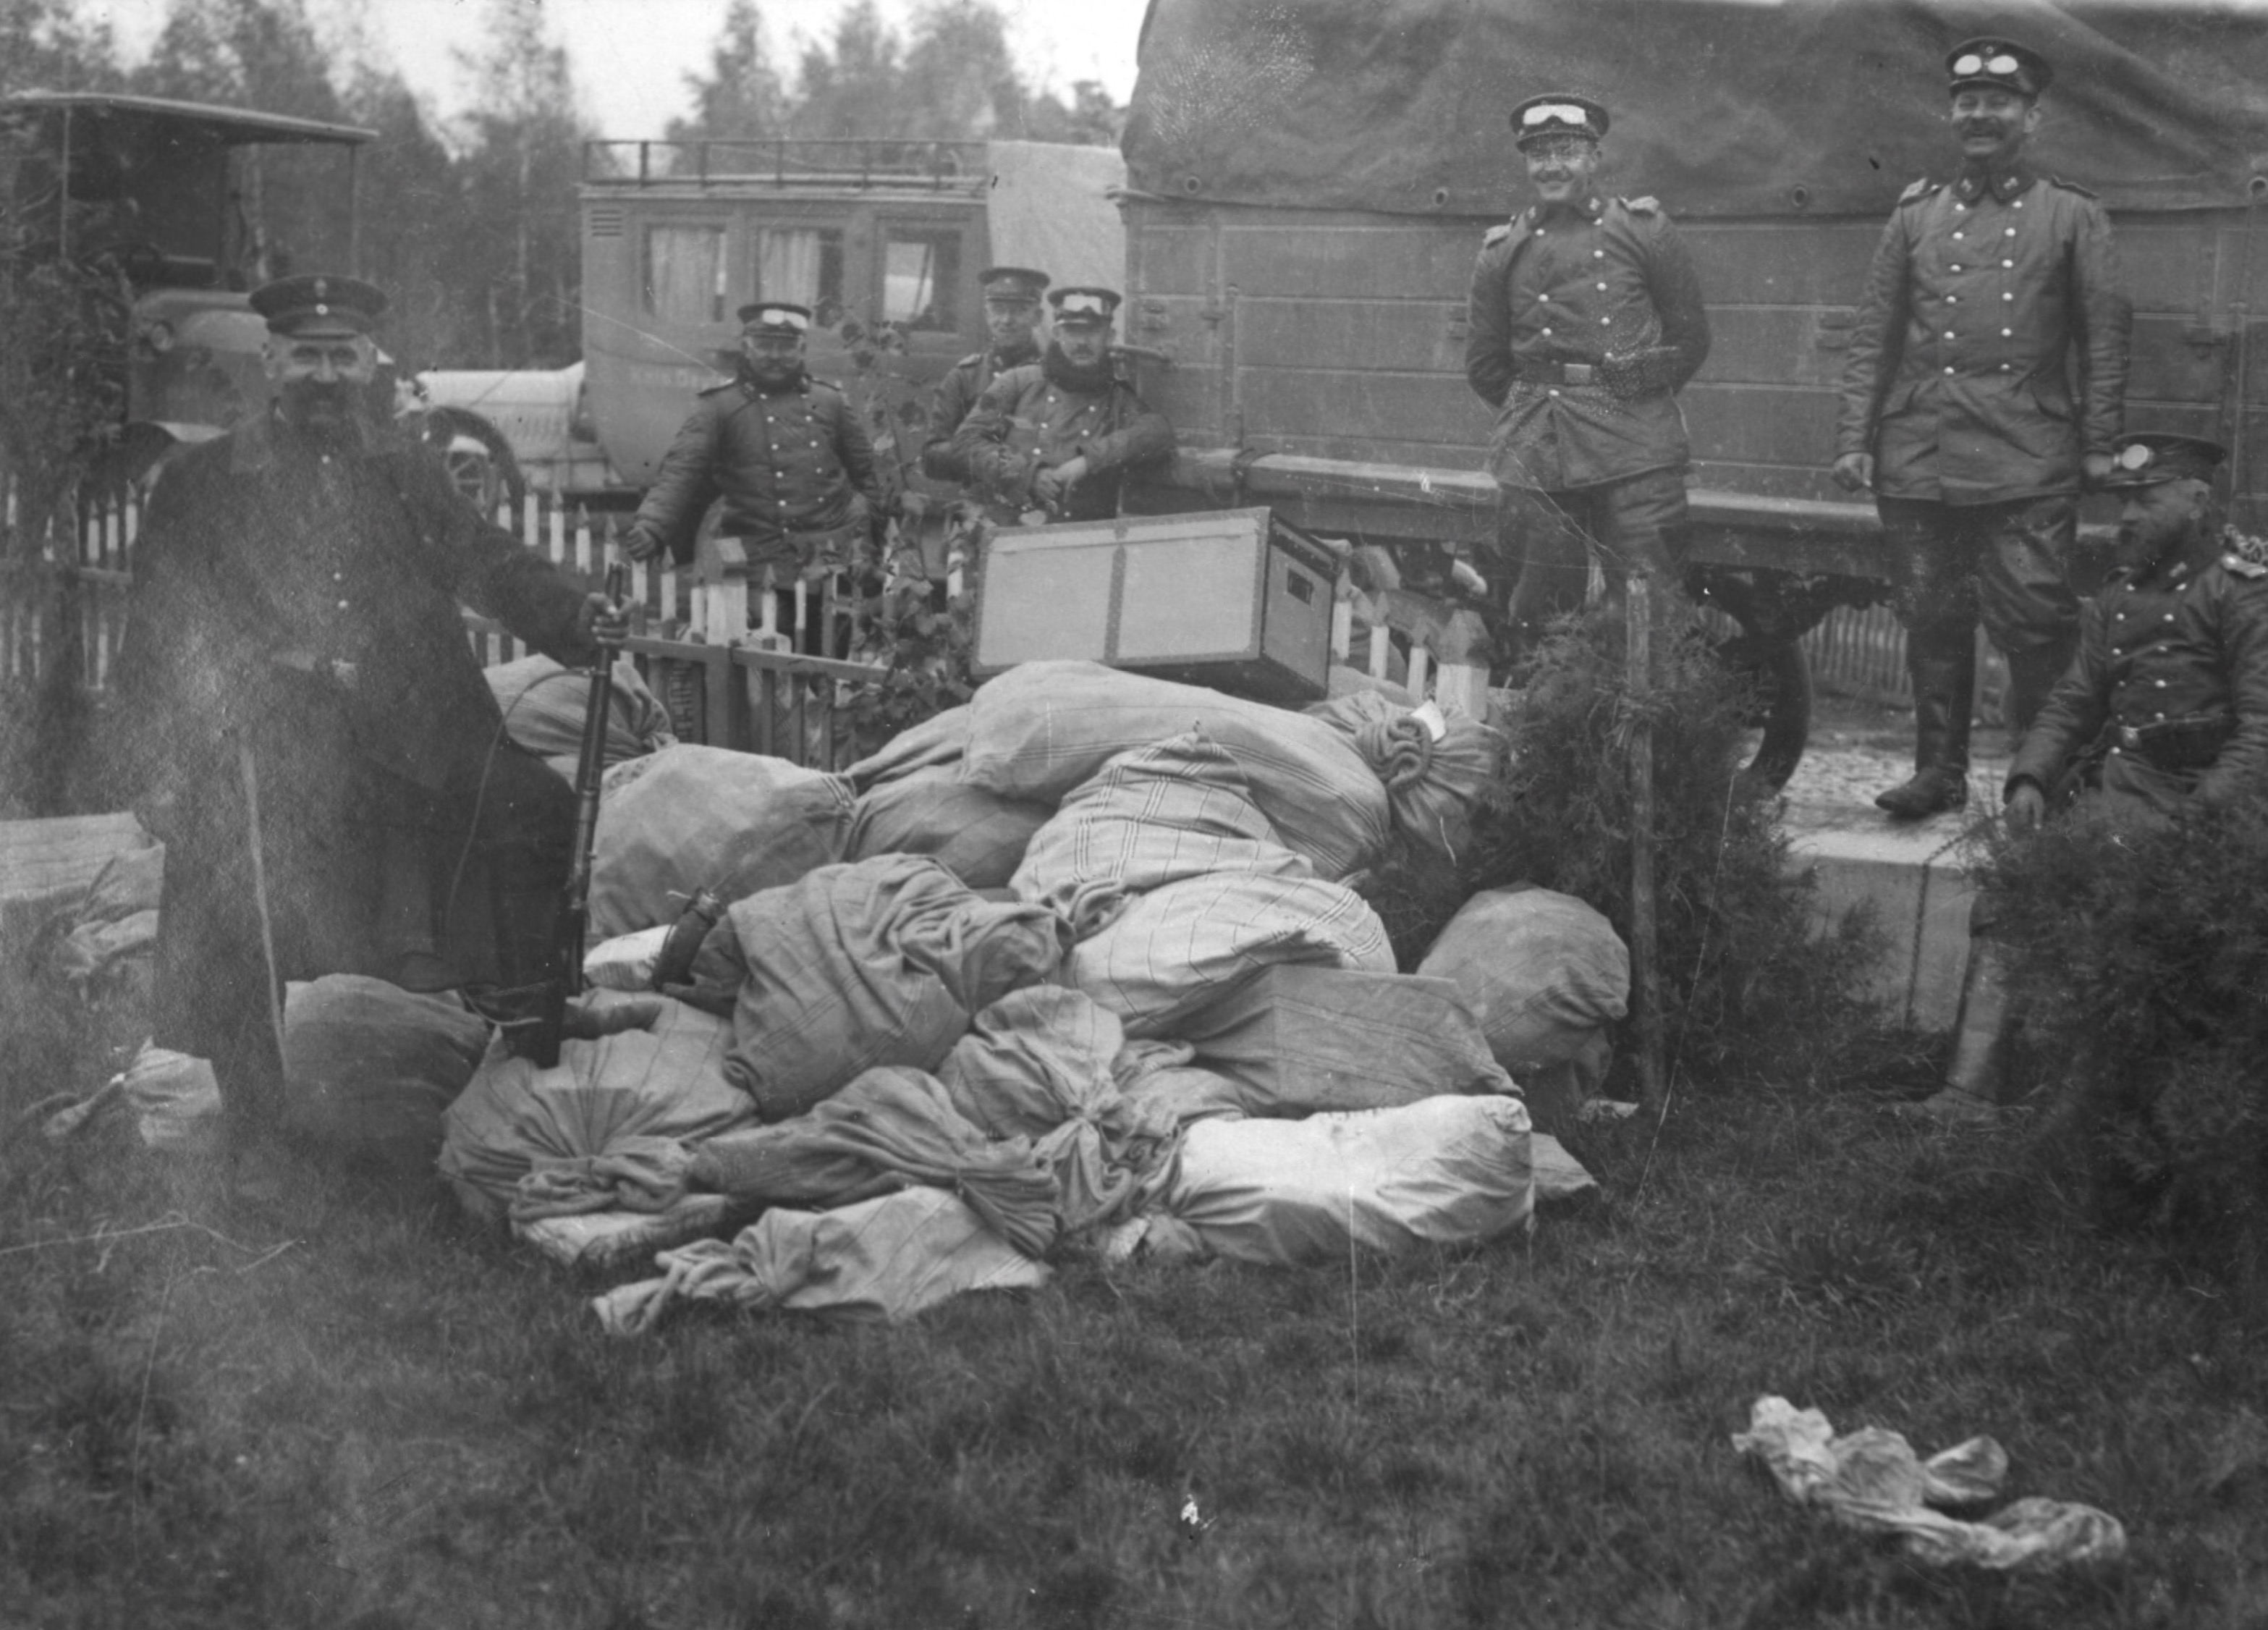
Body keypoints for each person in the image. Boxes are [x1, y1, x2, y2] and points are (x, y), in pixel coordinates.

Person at [111, 273, 627, 1157]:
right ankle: (259, 1124)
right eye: (305, 355)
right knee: (236, 878)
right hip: (264, 728)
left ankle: (523, 1068)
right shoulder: (203, 483)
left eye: (339, 356)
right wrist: (159, 764)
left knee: (530, 809)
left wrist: (574, 615)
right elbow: (158, 626)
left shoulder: (405, 467)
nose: (323, 374)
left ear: (366, 366)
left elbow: (482, 558)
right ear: (270, 363)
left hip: (412, 724)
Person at [1907, 432, 2268, 1122]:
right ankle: (1968, 1095)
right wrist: (2031, 781)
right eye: (2123, 502)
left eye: (2144, 500)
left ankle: (2084, 1116)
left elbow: (2261, 732)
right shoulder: (2120, 594)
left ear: (2197, 500)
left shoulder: (2242, 590)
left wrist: (2199, 821)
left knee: (2140, 921)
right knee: (2010, 899)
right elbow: (2074, 700)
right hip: (2127, 792)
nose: (2126, 518)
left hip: (2210, 803)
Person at [1834, 37, 2131, 819]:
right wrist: (1851, 438)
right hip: (1919, 451)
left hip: (2024, 453)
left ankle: (2042, 777)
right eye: (1966, 102)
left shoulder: (2071, 215)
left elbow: (2104, 338)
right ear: (1949, 113)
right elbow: (1876, 334)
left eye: (1998, 103)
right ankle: (1937, 773)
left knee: (2035, 620)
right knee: (1930, 615)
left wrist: (2097, 443)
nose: (1980, 115)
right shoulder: (1914, 215)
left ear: (2030, 117)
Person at [1464, 93, 1711, 664]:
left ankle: (1644, 747)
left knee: (1649, 614)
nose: (1551, 166)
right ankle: (1544, 742)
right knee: (1541, 618)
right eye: (1539, 153)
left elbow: (1690, 340)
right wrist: (1547, 403)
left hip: (1637, 450)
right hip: (1539, 447)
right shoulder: (1502, 252)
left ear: (1595, 157)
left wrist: (1629, 394)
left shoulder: (1643, 230)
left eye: (1566, 151)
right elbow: (1485, 365)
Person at [622, 301, 885, 577]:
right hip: (755, 559)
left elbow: (867, 477)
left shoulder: (830, 402)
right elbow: (679, 473)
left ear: (802, 350)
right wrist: (652, 527)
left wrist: (873, 546)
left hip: (830, 557)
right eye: (764, 345)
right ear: (746, 349)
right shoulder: (719, 407)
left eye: (786, 347)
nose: (775, 356)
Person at [950, 286, 1176, 525]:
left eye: (1093, 332)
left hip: (1081, 535)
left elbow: (1158, 432)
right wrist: (1029, 475)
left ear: (1109, 337)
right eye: (1072, 331)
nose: (1082, 342)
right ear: (1057, 334)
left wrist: (1088, 461)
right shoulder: (1017, 381)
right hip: (1011, 529)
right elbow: (966, 441)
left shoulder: (1117, 398)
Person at [920, 265, 1051, 483]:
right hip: (981, 501)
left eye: (1019, 311)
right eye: (998, 309)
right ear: (987, 314)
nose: (1007, 320)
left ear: (1037, 317)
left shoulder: (1054, 376)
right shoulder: (964, 377)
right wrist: (992, 460)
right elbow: (931, 457)